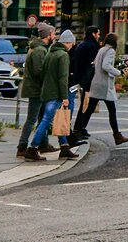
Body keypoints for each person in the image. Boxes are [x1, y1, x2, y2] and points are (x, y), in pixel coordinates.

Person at [23, 30, 77, 161]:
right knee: (46, 120)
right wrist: (65, 97)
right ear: (68, 42)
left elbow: (43, 73)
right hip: (56, 93)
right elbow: (63, 78)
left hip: (46, 91)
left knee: (57, 119)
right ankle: (33, 148)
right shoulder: (63, 56)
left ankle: (64, 147)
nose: (72, 47)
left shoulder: (50, 53)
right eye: (72, 44)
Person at [78, 32, 128, 145]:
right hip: (105, 85)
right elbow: (106, 66)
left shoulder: (101, 50)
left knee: (89, 110)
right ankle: (117, 136)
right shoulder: (110, 51)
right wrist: (118, 72)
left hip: (96, 83)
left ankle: (78, 130)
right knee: (112, 111)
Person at [15, 23, 54, 159]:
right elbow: (39, 71)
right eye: (53, 33)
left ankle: (43, 143)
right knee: (32, 119)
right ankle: (22, 146)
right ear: (47, 35)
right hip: (37, 89)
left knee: (42, 118)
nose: (54, 36)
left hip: (39, 89)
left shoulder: (40, 48)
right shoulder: (39, 50)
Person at [69, 27, 100, 140]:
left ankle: (80, 128)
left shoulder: (81, 45)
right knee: (86, 106)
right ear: (93, 34)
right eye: (98, 33)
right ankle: (79, 128)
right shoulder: (92, 46)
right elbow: (91, 66)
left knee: (84, 105)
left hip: (78, 78)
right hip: (87, 80)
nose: (99, 36)